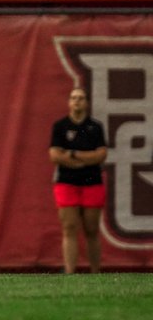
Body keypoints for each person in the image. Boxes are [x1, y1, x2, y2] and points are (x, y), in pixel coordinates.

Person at [48, 88, 109, 274]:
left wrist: (74, 154)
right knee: (69, 227)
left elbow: (101, 154)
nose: (77, 101)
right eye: (74, 98)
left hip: (92, 182)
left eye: (81, 98)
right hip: (67, 182)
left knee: (91, 229)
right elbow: (54, 155)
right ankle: (70, 272)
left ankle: (95, 272)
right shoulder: (60, 126)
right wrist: (83, 159)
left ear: (87, 103)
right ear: (68, 102)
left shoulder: (95, 127)